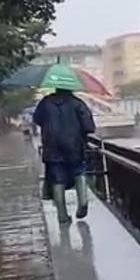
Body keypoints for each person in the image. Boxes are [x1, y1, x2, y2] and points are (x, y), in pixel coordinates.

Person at [33, 89, 96, 223]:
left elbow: (36, 119)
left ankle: (62, 214)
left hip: (52, 147)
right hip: (74, 146)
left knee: (57, 179)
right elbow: (89, 126)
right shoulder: (78, 103)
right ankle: (83, 202)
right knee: (79, 172)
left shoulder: (45, 103)